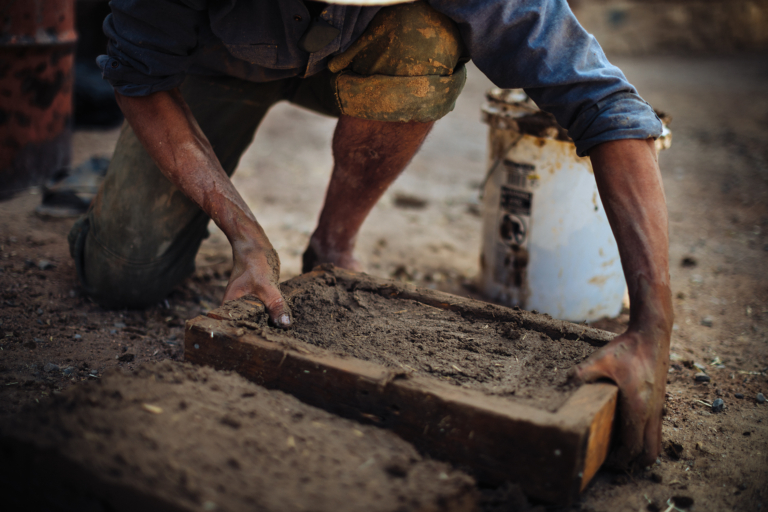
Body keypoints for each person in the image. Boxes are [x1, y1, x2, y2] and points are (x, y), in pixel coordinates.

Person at [68, 0, 672, 468]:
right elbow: (139, 75)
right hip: (207, 69)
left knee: (424, 39)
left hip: (358, 59)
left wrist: (652, 328)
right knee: (123, 274)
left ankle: (332, 245)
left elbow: (602, 100)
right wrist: (244, 234)